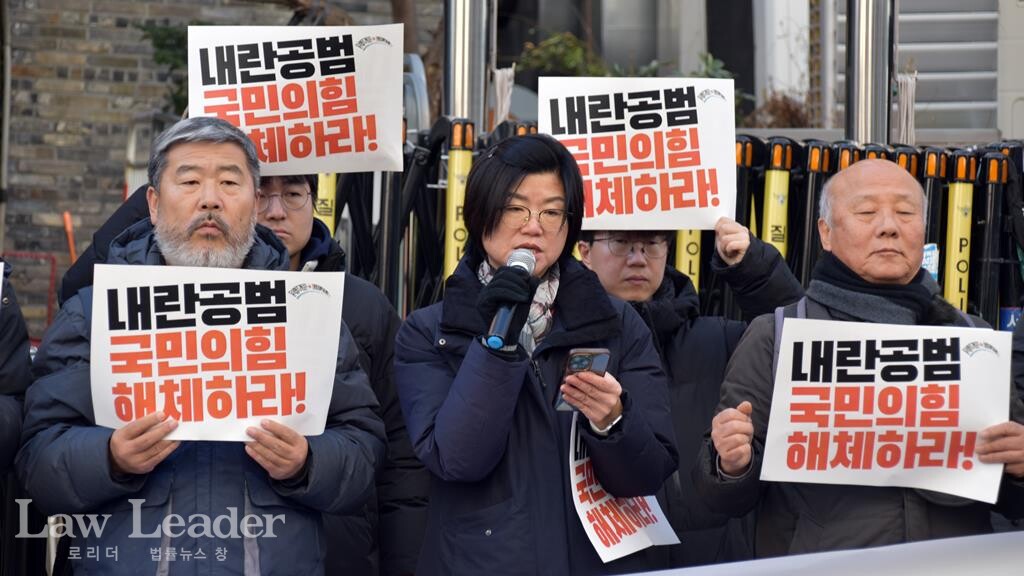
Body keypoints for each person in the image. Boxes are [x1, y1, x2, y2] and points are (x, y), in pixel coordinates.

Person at [17, 117, 386, 575]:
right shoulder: (95, 313)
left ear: (253, 204)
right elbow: (37, 460)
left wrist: (308, 462)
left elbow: (363, 449)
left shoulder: (305, 314)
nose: (210, 199)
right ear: (153, 203)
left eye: (230, 182)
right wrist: (109, 457)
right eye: (190, 180)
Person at [694, 158, 1024, 556]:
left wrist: (1019, 468)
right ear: (826, 233)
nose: (889, 226)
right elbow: (717, 500)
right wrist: (728, 463)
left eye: (905, 212)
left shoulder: (972, 341)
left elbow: (1010, 500)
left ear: (924, 228)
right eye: (867, 212)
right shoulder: (778, 336)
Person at [394, 134, 679, 575]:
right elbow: (457, 458)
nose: (534, 225)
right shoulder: (430, 332)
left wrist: (613, 421)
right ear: (481, 213)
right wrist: (496, 342)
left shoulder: (617, 324)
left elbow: (648, 473)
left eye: (552, 211)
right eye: (515, 208)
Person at [577, 218, 802, 566]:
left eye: (653, 244)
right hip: (601, 554)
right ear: (585, 252)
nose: (638, 259)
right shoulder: (566, 343)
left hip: (712, 557)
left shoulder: (717, 338)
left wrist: (753, 268)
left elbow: (798, 341)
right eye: (621, 243)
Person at [257, 174, 429, 576]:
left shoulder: (363, 306)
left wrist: (403, 565)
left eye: (294, 194)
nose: (277, 210)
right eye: (261, 194)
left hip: (340, 552)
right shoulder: (190, 299)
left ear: (314, 201)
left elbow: (402, 459)